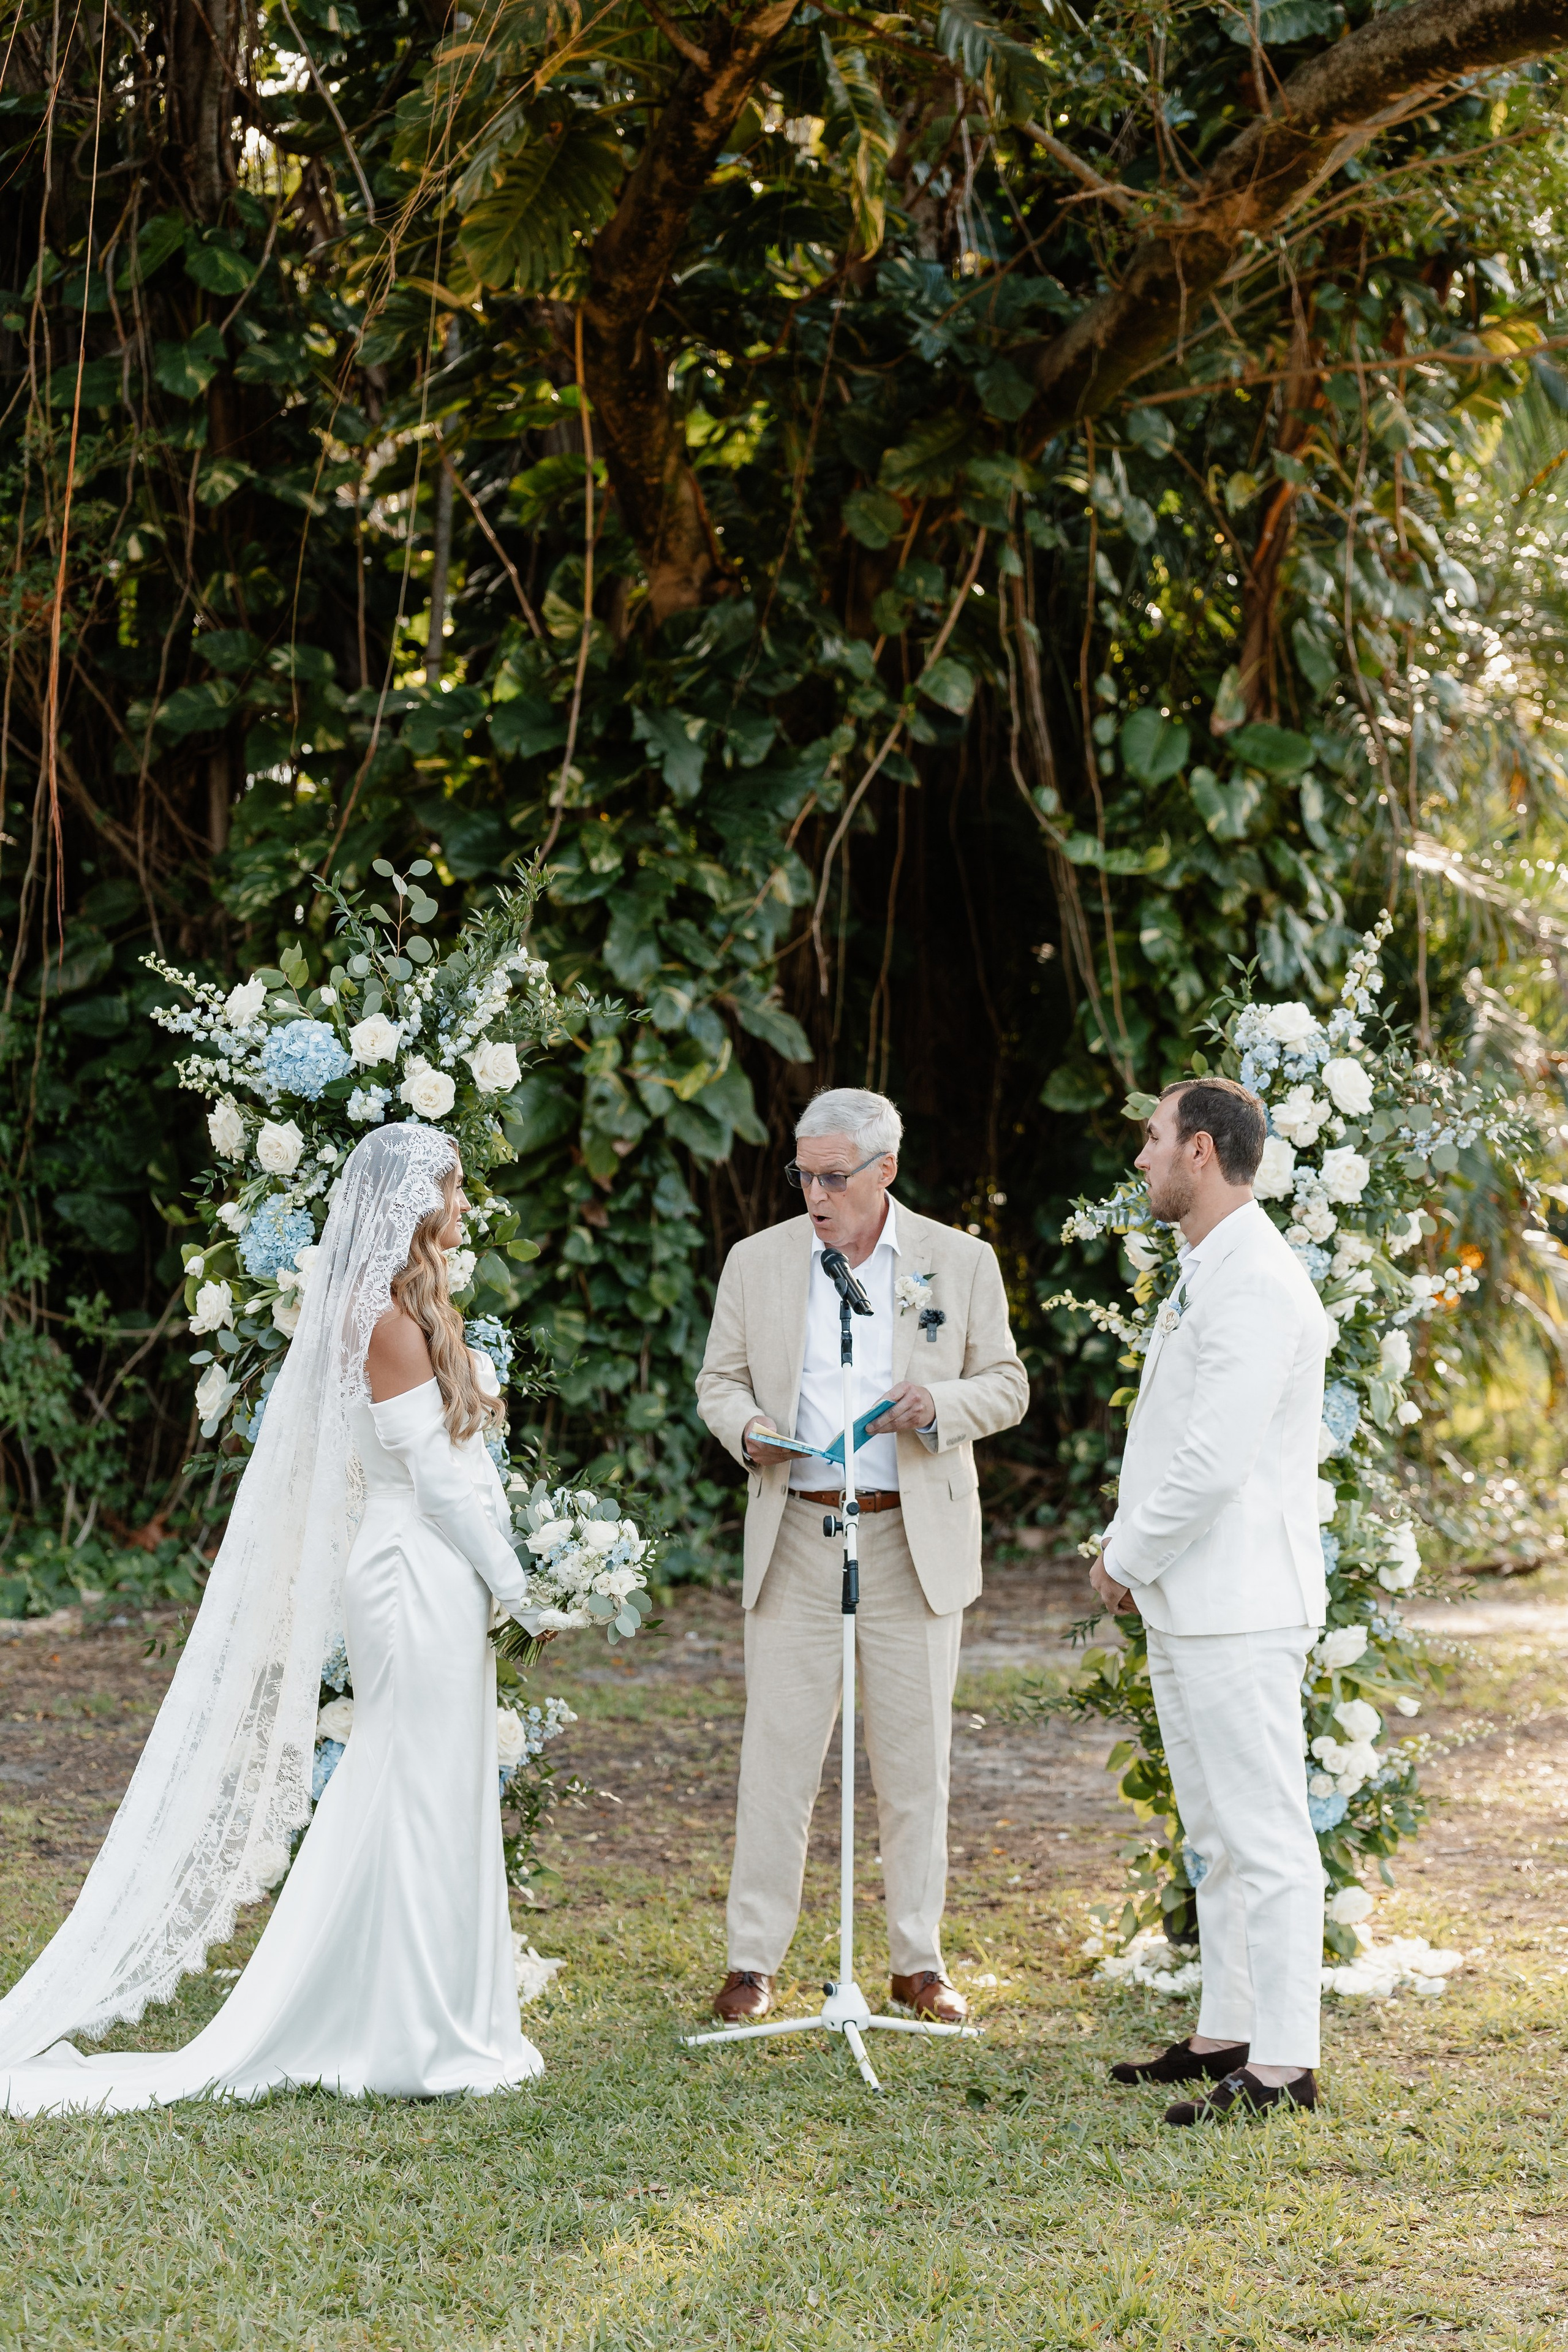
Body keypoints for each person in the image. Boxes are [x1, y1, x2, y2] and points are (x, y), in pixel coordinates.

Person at [0, 1123, 547, 2114]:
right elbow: (438, 1481)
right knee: (407, 1780)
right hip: (415, 1569)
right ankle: (403, 2028)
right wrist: (518, 1585)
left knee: (434, 1778)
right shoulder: (382, 1321)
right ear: (412, 1206)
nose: (462, 1210)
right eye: (452, 1193)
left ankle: (432, 2010)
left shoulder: (409, 1310)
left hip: (437, 1567)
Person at [695, 1087, 1028, 2026]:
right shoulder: (757, 1262)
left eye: (833, 1176)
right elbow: (717, 1382)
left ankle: (917, 1961)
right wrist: (749, 1428)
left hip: (909, 1533)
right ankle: (753, 1960)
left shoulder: (960, 1262)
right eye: (803, 1173)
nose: (814, 1193)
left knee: (915, 1759)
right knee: (778, 1755)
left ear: (885, 1170)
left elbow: (1008, 1385)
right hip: (799, 1527)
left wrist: (940, 1406)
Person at [1093, 1077, 1330, 2126]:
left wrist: (1123, 1557)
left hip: (1238, 1598)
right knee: (1217, 1836)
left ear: (1198, 1150)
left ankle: (1284, 2064)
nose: (1138, 1157)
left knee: (1268, 1834)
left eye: (1150, 1139)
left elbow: (1213, 1461)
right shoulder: (1208, 1267)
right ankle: (1227, 2028)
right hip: (1197, 1597)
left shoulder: (1259, 1282)